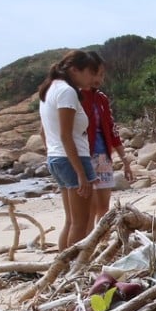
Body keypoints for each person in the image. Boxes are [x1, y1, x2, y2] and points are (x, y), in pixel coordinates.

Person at [38, 50, 98, 250]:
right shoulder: (67, 92)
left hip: (58, 158)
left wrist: (52, 152)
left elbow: (42, 132)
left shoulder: (49, 89)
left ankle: (63, 267)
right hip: (73, 159)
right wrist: (80, 172)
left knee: (71, 220)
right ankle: (74, 268)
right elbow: (66, 135)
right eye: (90, 72)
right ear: (74, 70)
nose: (92, 78)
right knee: (81, 223)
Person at [80, 51, 134, 224]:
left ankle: (101, 242)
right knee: (90, 208)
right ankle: (89, 244)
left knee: (104, 207)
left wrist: (124, 160)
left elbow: (112, 130)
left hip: (104, 157)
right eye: (97, 74)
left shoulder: (101, 98)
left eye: (103, 75)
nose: (100, 79)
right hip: (86, 157)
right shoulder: (77, 96)